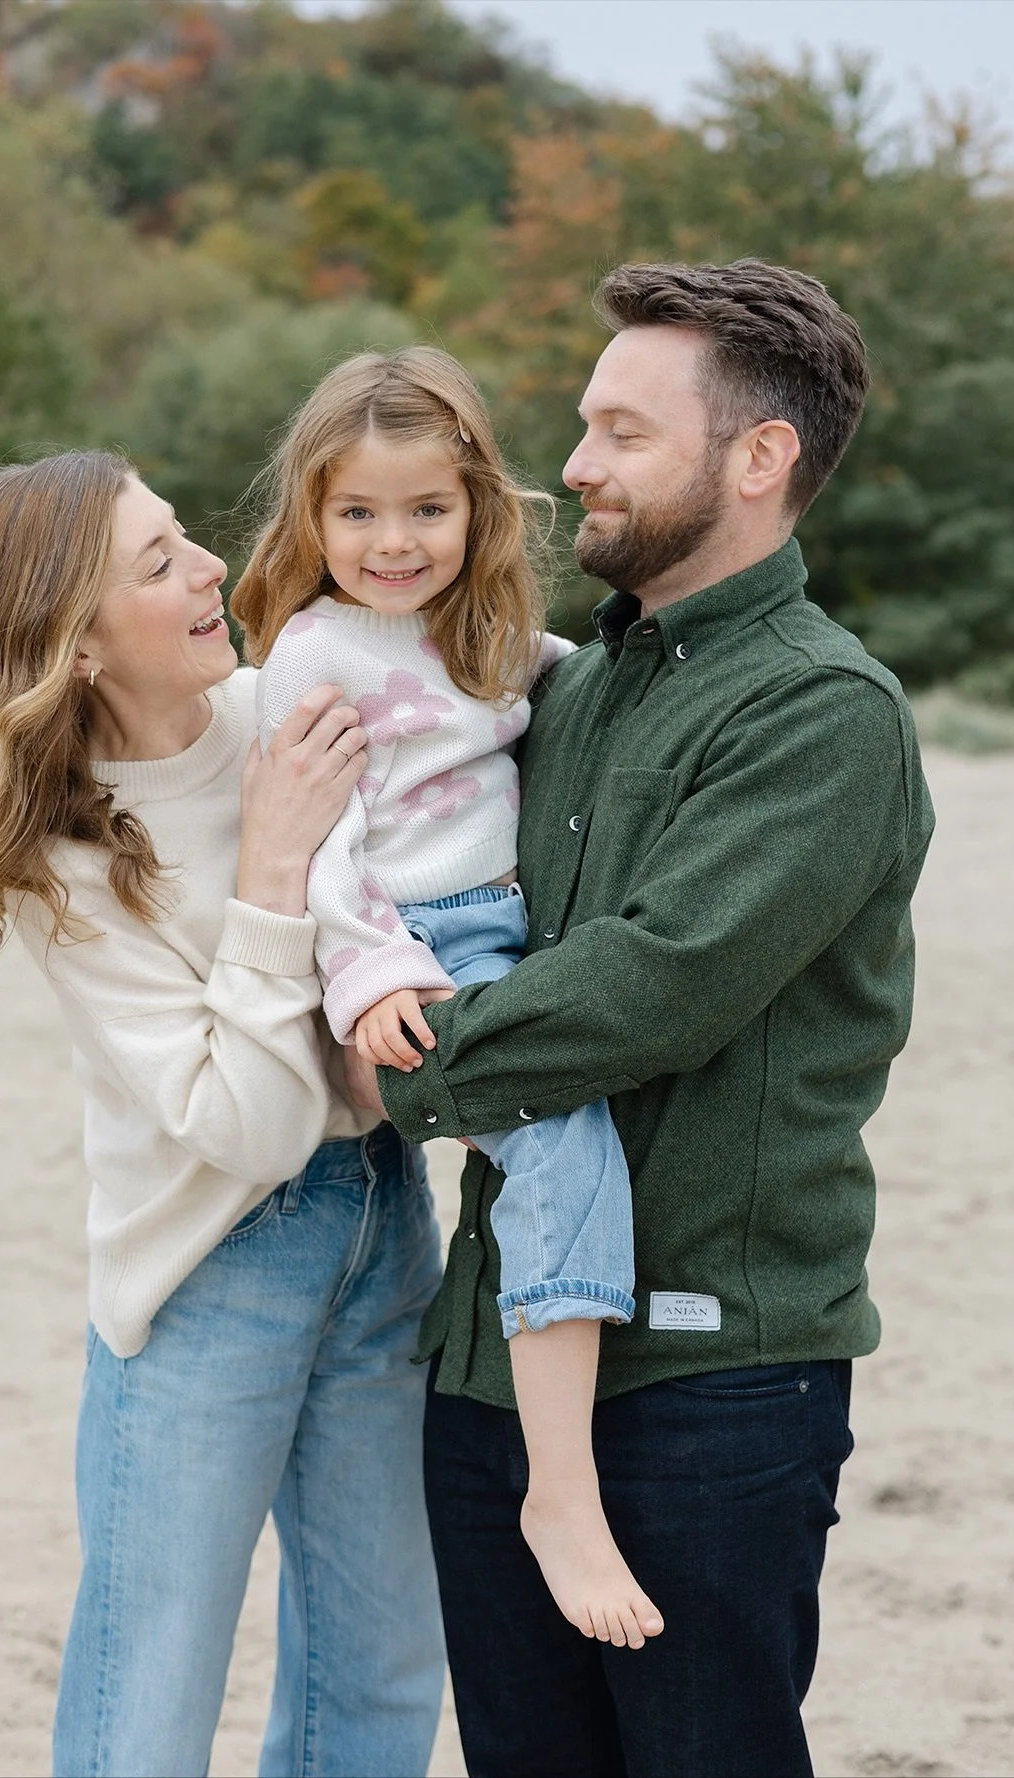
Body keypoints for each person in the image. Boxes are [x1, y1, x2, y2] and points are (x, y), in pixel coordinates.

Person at [346, 261, 937, 1778]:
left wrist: (386, 1064)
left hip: (707, 1385)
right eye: (583, 424)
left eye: (620, 431)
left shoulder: (821, 711)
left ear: (758, 459)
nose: (574, 463)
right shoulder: (579, 686)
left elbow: (649, 985)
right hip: (487, 1366)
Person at [0, 451, 446, 1778]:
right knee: (151, 1694)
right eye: (158, 560)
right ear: (73, 644)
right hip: (200, 1276)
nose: (211, 571)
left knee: (383, 1666)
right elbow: (243, 1125)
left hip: (383, 1220)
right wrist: (278, 863)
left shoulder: (292, 704)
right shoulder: (56, 858)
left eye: (186, 538)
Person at [231, 345, 664, 1650]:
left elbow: (547, 690)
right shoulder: (314, 651)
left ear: (476, 502)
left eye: (425, 508)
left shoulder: (475, 634)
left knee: (570, 1148)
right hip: (417, 943)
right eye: (355, 512)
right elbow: (322, 838)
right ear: (311, 515)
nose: (392, 541)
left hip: (509, 928)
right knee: (563, 1143)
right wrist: (369, 974)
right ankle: (561, 1491)